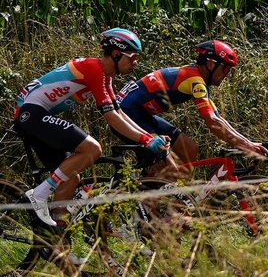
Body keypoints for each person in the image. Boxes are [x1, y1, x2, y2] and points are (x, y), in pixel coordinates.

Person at [12, 28, 172, 227]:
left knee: (70, 178)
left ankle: (56, 243)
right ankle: (38, 195)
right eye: (132, 58)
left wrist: (149, 136)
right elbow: (111, 117)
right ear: (116, 54)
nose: (135, 63)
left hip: (36, 115)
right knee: (92, 149)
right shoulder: (93, 69)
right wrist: (147, 140)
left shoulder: (105, 76)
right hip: (31, 113)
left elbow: (119, 112)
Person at [115, 39, 268, 181]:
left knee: (190, 150)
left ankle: (162, 197)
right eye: (225, 69)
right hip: (125, 114)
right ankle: (149, 206)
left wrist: (249, 143)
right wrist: (247, 146)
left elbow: (217, 118)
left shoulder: (200, 81)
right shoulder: (195, 80)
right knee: (171, 168)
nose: (226, 75)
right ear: (210, 64)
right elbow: (212, 123)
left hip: (141, 114)